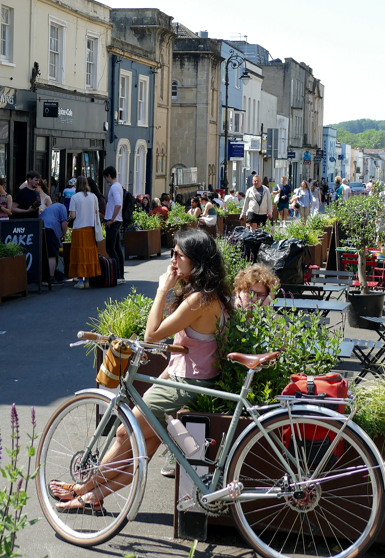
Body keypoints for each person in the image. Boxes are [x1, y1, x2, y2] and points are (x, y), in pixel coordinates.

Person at [50, 228, 229, 512]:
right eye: (172, 253)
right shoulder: (210, 294)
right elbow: (192, 348)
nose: (172, 260)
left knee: (124, 434)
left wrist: (161, 290)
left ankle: (83, 487)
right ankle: (93, 496)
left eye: (178, 255)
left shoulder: (199, 300)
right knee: (143, 447)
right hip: (186, 378)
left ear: (196, 261)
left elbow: (151, 336)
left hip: (187, 384)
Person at [67, 176, 102, 289]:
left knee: (79, 254)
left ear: (76, 185)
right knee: (88, 254)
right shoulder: (93, 197)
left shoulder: (75, 197)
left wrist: (69, 218)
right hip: (90, 228)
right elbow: (97, 212)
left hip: (79, 228)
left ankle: (80, 281)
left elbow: (73, 215)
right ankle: (86, 280)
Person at [102, 166, 126, 284]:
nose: (106, 180)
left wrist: (111, 219)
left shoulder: (114, 188)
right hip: (117, 220)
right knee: (117, 248)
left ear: (109, 176)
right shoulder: (118, 186)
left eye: (106, 177)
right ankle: (120, 275)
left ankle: (116, 274)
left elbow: (118, 204)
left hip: (114, 222)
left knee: (110, 248)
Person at [40, 201, 69, 285]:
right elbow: (64, 222)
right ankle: (51, 278)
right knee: (52, 254)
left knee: (43, 254)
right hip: (50, 229)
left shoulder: (50, 209)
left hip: (39, 227)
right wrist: (64, 234)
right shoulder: (62, 207)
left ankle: (43, 277)